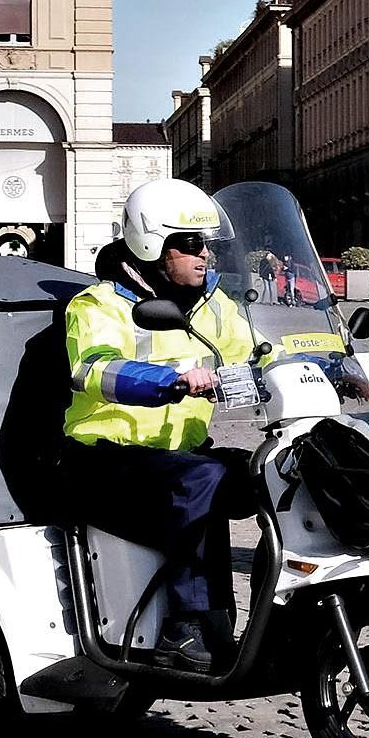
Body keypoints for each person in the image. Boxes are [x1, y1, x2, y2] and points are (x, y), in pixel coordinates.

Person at [58, 179, 258, 672]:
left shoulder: (215, 306)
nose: (204, 255)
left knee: (273, 472)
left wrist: (335, 365)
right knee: (203, 481)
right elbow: (93, 368)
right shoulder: (99, 305)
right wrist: (170, 381)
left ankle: (289, 603)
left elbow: (258, 351)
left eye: (207, 245)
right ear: (152, 244)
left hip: (176, 457)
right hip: (103, 462)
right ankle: (186, 630)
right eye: (190, 245)